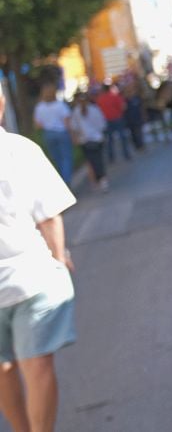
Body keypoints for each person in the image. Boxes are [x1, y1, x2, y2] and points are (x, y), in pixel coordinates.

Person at [0, 85, 77, 432]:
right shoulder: (20, 150)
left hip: (27, 278)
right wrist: (59, 260)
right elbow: (49, 216)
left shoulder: (20, 149)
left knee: (10, 368)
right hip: (32, 276)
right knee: (36, 367)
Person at [31, 85, 72, 185]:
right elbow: (67, 122)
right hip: (61, 132)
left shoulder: (39, 107)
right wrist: (71, 134)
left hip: (48, 134)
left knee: (56, 158)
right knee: (66, 158)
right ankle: (66, 180)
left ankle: (61, 180)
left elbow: (37, 124)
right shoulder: (60, 105)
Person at [69, 92, 108, 192]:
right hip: (97, 139)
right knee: (98, 159)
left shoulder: (76, 112)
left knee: (91, 161)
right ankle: (102, 179)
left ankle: (96, 180)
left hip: (85, 141)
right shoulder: (95, 110)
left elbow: (74, 128)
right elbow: (102, 124)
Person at [94, 84, 131, 164]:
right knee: (122, 137)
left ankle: (111, 157)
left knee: (110, 140)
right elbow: (123, 106)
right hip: (117, 118)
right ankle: (126, 154)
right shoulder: (115, 97)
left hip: (106, 121)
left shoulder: (100, 99)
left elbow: (97, 111)